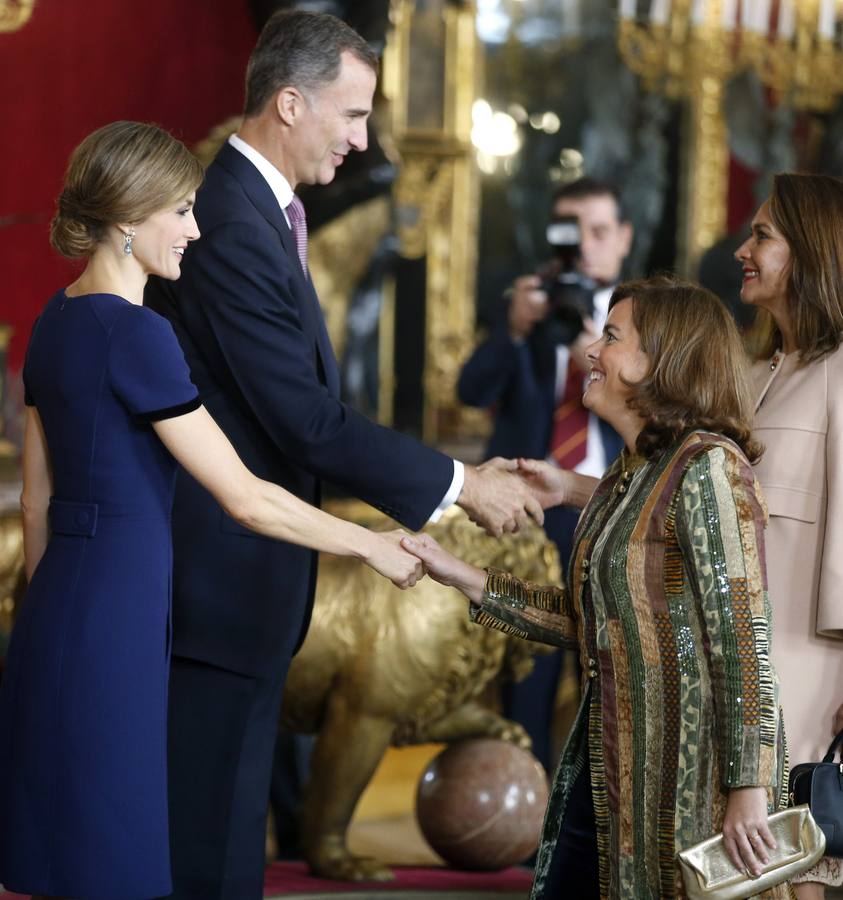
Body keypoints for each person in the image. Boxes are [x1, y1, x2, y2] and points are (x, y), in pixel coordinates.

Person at [143, 10, 543, 897]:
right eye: (353, 114)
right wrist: (459, 483)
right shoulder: (228, 218)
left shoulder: (260, 210)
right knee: (202, 849)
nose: (362, 141)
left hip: (245, 580)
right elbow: (304, 421)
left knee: (226, 844)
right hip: (215, 580)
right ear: (290, 103)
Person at [0, 120, 427, 900]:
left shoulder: (55, 319)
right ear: (128, 218)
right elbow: (246, 497)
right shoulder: (140, 335)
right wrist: (369, 545)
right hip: (122, 613)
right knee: (116, 849)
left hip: (55, 607)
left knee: (68, 842)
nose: (195, 231)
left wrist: (53, 611)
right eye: (181, 211)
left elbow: (36, 500)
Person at [404, 277, 789, 899]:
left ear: (659, 361)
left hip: (688, 783)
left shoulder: (709, 466)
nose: (591, 350)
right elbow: (599, 619)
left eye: (611, 336)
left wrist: (749, 788)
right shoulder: (629, 475)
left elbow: (743, 639)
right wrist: (462, 575)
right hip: (609, 761)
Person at [457, 177, 630, 771]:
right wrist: (513, 328)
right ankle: (529, 806)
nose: (585, 245)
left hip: (611, 510)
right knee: (528, 674)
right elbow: (470, 390)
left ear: (624, 239)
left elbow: (662, 419)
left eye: (599, 231)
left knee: (611, 684)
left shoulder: (643, 325)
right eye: (571, 231)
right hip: (530, 516)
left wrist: (597, 351)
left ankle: (598, 809)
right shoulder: (525, 306)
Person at [735, 172, 843, 899]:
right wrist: (566, 487)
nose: (742, 251)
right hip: (737, 675)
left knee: (792, 877)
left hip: (810, 675)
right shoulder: (751, 375)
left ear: (810, 252)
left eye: (762, 236)